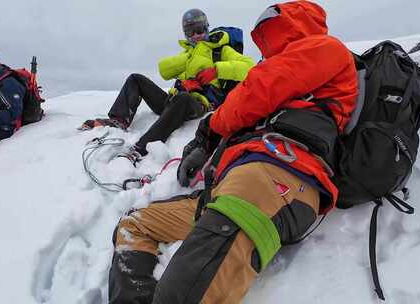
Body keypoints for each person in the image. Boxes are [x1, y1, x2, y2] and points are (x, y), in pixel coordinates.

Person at [107, 1, 358, 303]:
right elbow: (243, 92)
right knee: (135, 225)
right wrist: (206, 145)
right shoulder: (280, 68)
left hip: (277, 176)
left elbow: (256, 90)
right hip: (236, 182)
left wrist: (208, 129)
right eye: (192, 30)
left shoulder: (324, 49)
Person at [80, 8, 254, 166]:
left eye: (199, 30)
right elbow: (164, 70)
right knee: (136, 79)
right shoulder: (188, 53)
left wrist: (217, 70)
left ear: (207, 28)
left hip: (198, 103)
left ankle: (141, 147)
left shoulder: (220, 51)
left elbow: (249, 67)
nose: (195, 36)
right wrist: (189, 59)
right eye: (190, 33)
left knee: (183, 98)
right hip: (171, 102)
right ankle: (119, 119)